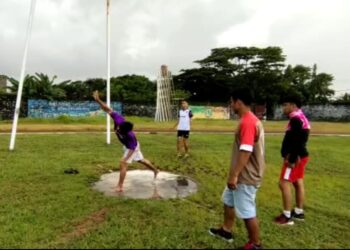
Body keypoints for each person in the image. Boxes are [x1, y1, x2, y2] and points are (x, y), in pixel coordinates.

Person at [209, 88, 265, 250]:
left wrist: (234, 175)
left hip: (246, 176)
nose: (230, 105)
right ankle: (226, 230)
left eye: (231, 102)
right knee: (228, 201)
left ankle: (255, 244)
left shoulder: (248, 122)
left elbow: (246, 150)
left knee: (247, 211)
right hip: (242, 174)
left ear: (238, 102)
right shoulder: (249, 119)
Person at [92, 90, 159, 192]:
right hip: (129, 146)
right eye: (119, 128)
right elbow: (107, 109)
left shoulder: (130, 135)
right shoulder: (119, 119)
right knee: (141, 160)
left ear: (126, 131)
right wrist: (98, 100)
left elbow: (132, 149)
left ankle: (120, 186)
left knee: (123, 164)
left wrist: (126, 159)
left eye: (121, 130)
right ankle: (155, 170)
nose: (118, 129)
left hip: (132, 147)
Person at [274, 94, 310, 225]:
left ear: (293, 106)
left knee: (283, 183)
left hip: (295, 157)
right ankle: (299, 212)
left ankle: (286, 216)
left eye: (285, 105)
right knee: (297, 182)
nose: (283, 108)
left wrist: (292, 159)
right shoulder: (300, 117)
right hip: (301, 156)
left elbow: (298, 141)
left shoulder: (295, 119)